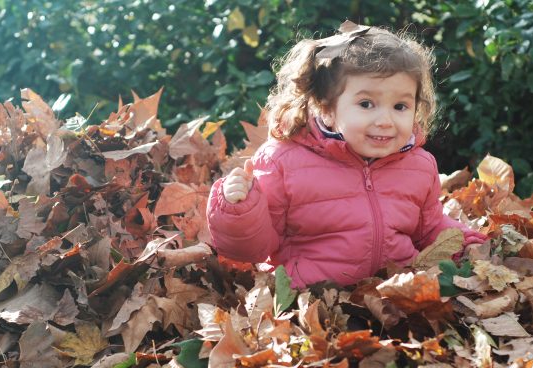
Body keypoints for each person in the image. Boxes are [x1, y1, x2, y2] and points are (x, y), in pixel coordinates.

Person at [206, 21, 486, 288]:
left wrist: (465, 243)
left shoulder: (418, 166)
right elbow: (256, 249)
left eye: (400, 106)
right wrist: (238, 211)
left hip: (395, 298)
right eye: (367, 104)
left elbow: (430, 228)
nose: (385, 120)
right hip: (311, 305)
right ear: (326, 109)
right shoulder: (284, 163)